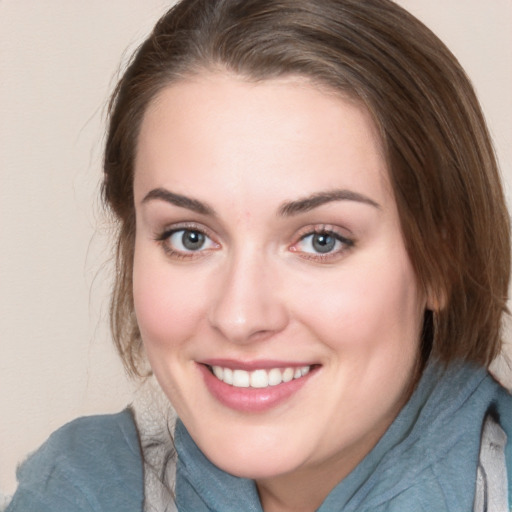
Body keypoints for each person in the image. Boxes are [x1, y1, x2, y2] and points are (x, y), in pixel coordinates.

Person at [6, 0, 512, 510]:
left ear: (441, 259)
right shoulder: (76, 490)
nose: (240, 317)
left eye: (322, 240)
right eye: (190, 237)